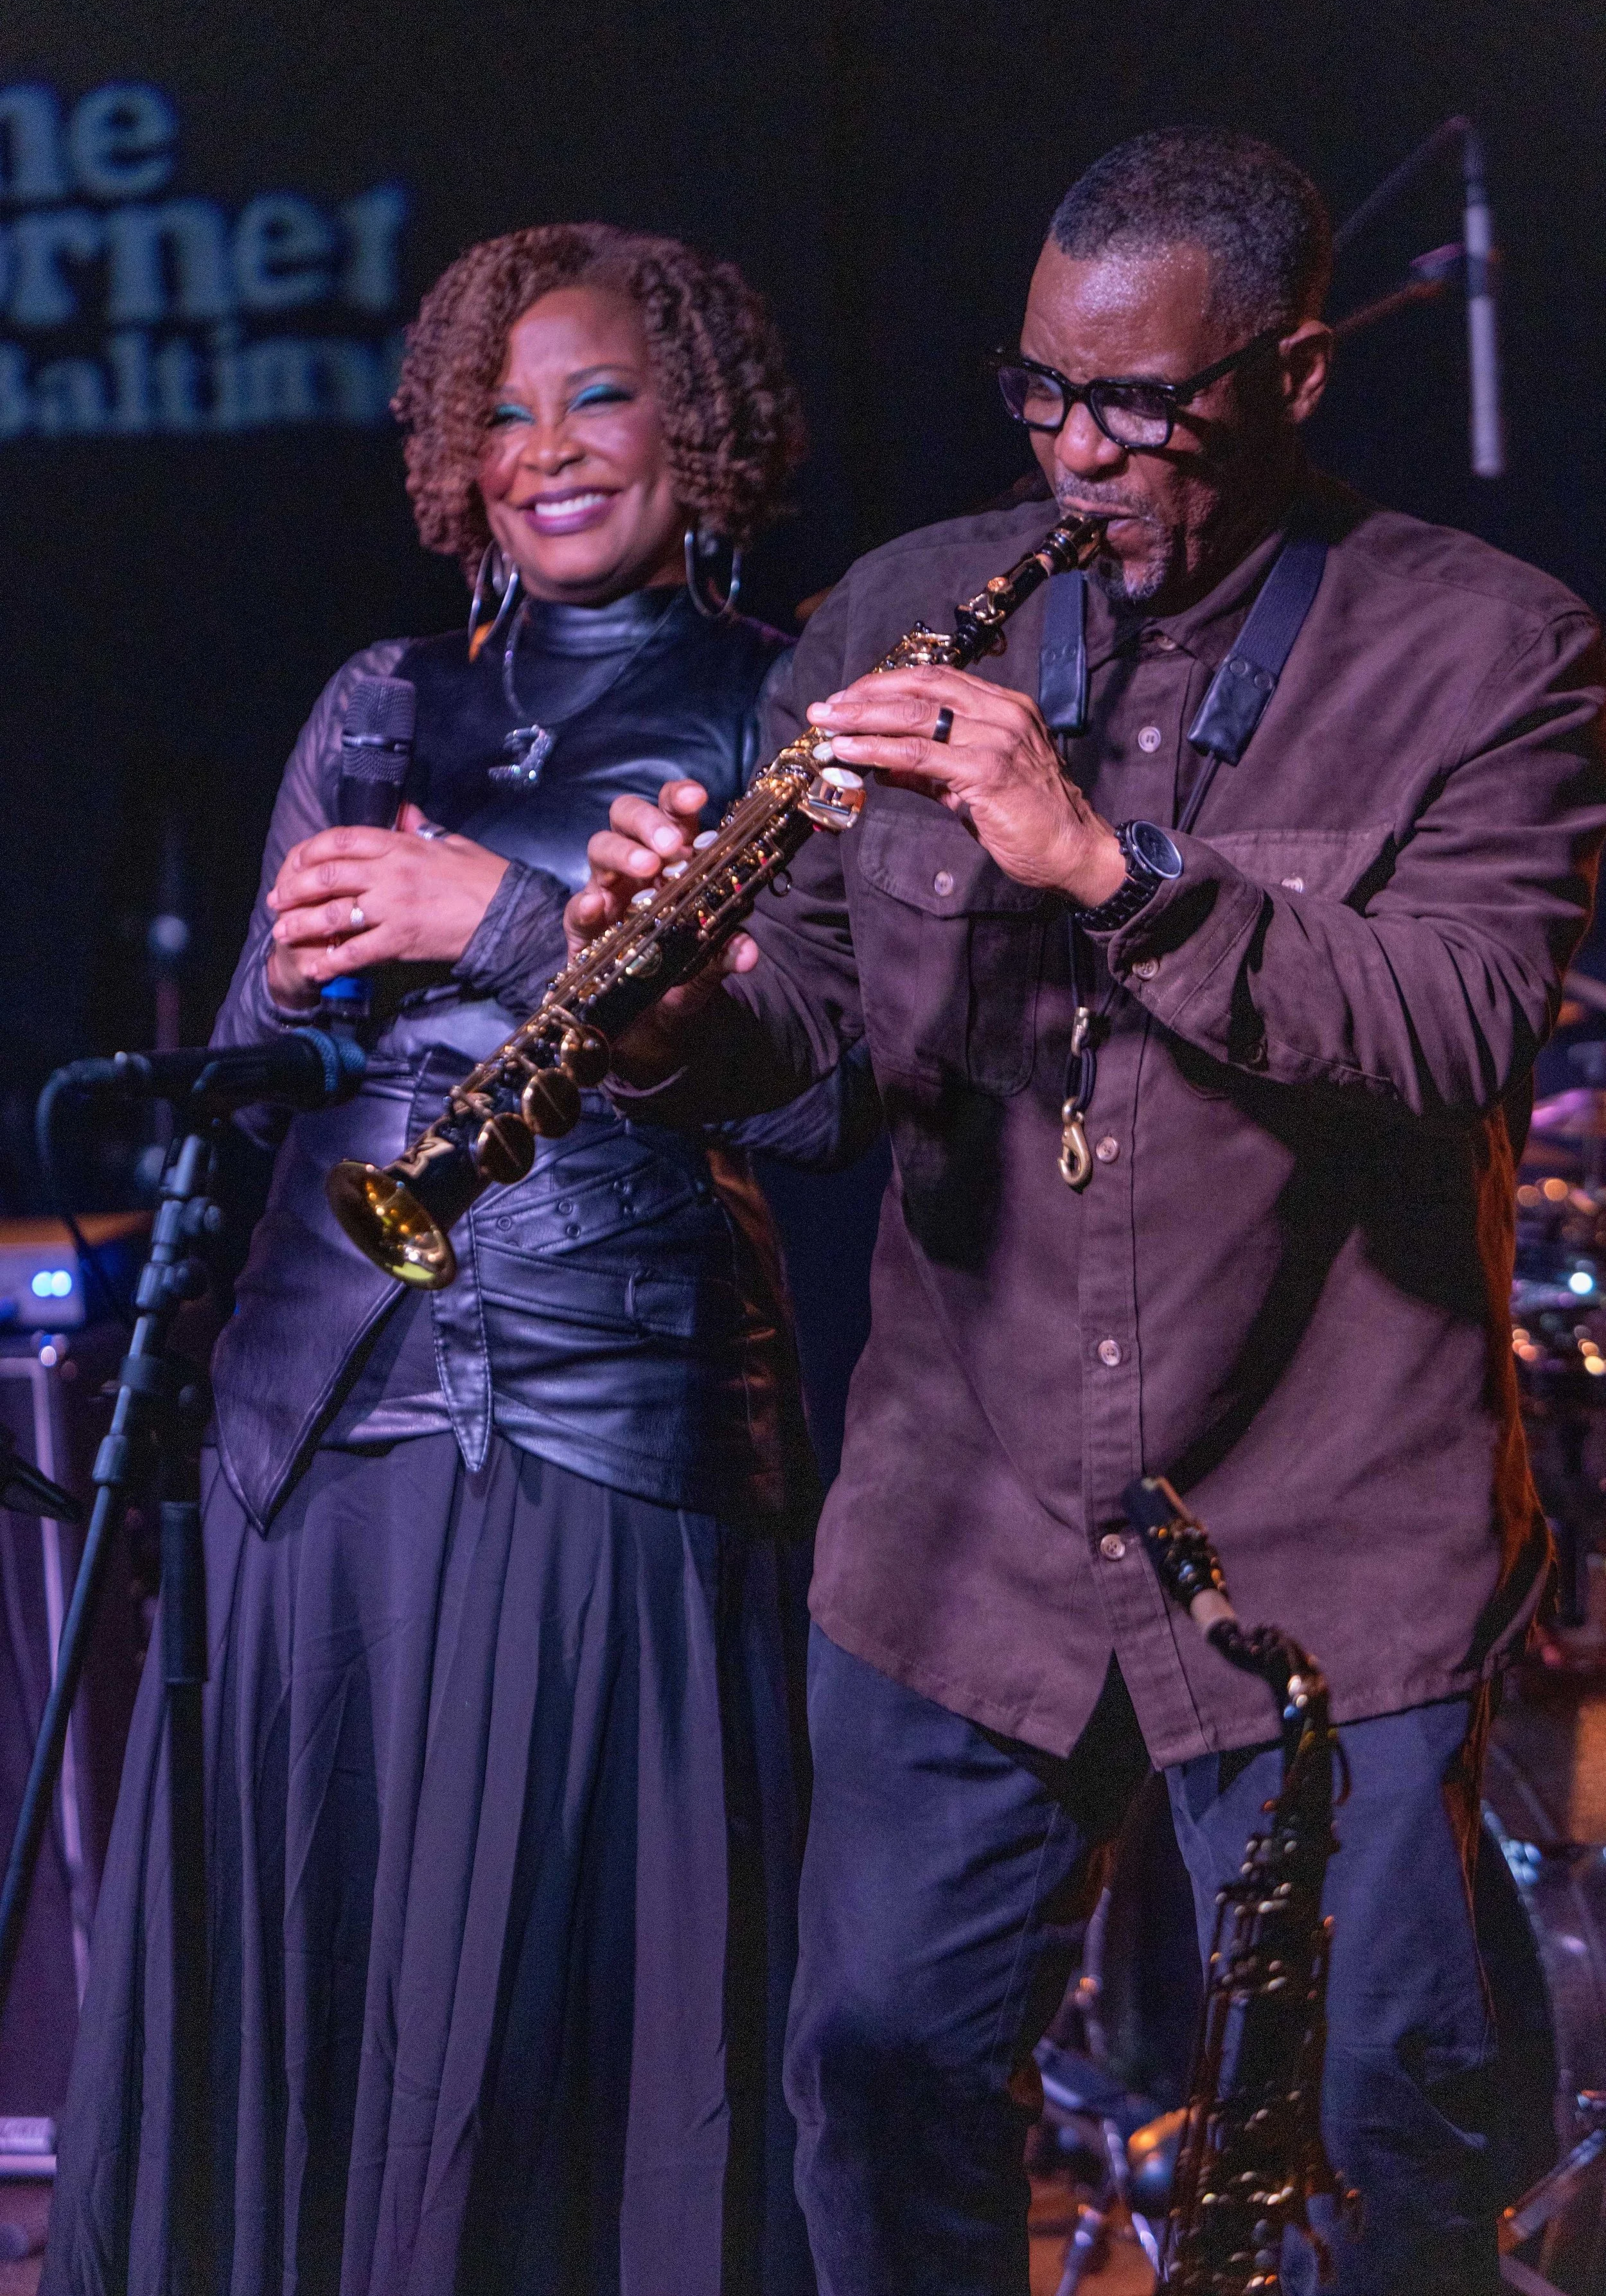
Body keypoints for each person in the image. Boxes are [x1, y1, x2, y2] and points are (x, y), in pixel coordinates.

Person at [570, 130, 1606, 2294]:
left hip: (1331, 1538)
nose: (1079, 450)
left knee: (1377, 2130)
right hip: (965, 1540)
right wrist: (680, 1003)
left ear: (1295, 372)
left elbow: (1453, 1025)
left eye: (1137, 404)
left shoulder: (1489, 649)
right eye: (1041, 391)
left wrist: (1106, 868)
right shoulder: (895, 607)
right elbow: (829, 1055)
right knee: (869, 2078)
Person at [44, 223, 856, 2296]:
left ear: (701, 422)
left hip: (600, 1421)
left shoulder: (790, 699)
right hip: (314, 1432)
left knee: (564, 2015)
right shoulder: (383, 696)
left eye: (596, 395)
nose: (545, 448)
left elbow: (808, 1085)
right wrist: (306, 997)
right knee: (310, 1976)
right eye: (500, 409)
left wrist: (488, 912)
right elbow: (247, 1064)